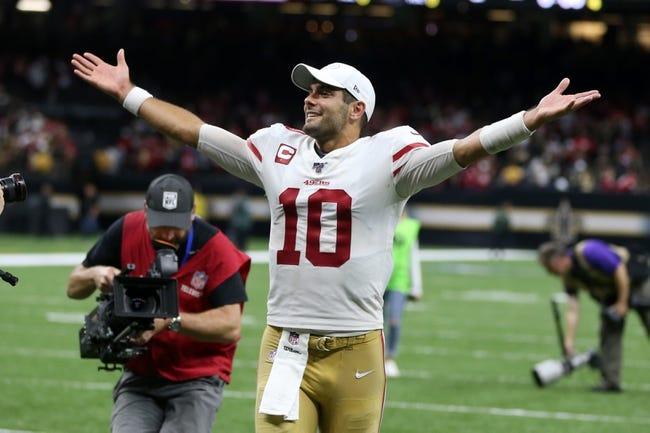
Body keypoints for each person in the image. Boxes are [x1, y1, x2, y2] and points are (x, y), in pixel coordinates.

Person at [71, 49, 599, 432]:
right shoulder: (277, 149)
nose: (310, 97)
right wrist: (129, 95)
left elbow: (461, 151)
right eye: (310, 89)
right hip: (286, 345)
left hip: (356, 347)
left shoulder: (390, 157)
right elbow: (197, 132)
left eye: (325, 91)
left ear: (357, 109)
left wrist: (526, 122)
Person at [66, 174, 250, 433]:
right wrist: (96, 274)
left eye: (176, 225)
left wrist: (171, 320)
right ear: (145, 211)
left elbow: (231, 326)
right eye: (160, 224)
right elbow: (73, 286)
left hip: (197, 376)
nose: (167, 233)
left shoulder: (216, 249)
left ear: (193, 214)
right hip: (140, 374)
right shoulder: (127, 228)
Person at [538, 239, 650, 392]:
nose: (550, 273)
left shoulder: (588, 251)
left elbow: (619, 270)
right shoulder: (568, 276)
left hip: (638, 283)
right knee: (609, 333)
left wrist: (623, 303)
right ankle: (610, 382)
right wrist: (569, 341)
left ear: (558, 260)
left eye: (549, 268)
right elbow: (573, 308)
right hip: (612, 292)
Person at [383, 211, 422, 378]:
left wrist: (417, 286)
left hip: (399, 281)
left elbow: (414, 256)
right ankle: (376, 358)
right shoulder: (383, 221)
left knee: (394, 320)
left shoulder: (411, 227)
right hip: (380, 280)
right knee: (376, 322)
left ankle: (390, 357)